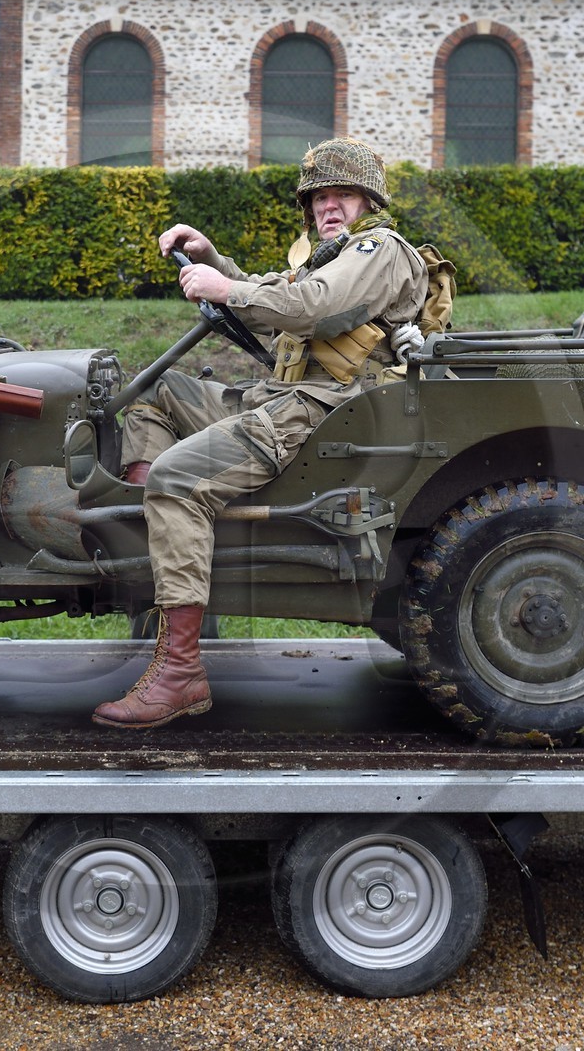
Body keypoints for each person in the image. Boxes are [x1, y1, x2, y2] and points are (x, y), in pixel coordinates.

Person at [91, 136, 429, 729]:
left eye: (343, 194)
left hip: (322, 414)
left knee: (178, 479)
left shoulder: (380, 250)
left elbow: (314, 307)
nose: (328, 206)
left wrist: (226, 289)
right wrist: (213, 260)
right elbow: (276, 304)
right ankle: (157, 540)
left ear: (369, 201)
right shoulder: (328, 257)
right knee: (157, 390)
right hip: (280, 397)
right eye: (319, 197)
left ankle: (180, 671)